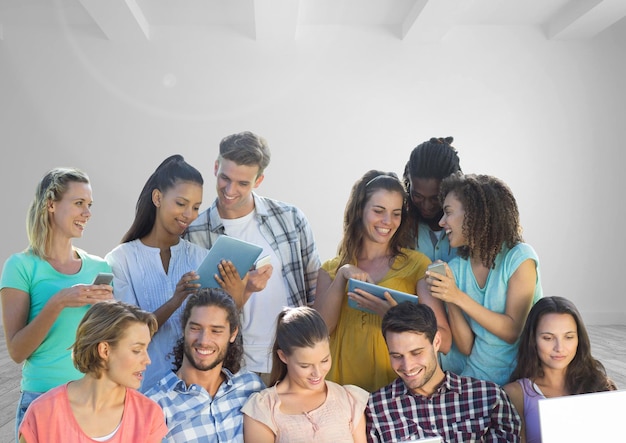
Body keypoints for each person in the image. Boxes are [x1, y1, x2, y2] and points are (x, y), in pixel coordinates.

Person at [184, 131, 321, 383]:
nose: (230, 190)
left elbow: (315, 289)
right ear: (216, 166)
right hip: (233, 364)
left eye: (242, 183)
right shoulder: (193, 234)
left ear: (259, 180)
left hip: (290, 358)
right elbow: (194, 308)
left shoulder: (290, 219)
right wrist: (243, 290)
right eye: (224, 178)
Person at [105, 154, 239, 392]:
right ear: (157, 198)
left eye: (196, 207)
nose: (189, 214)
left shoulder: (200, 258)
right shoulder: (121, 259)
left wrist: (238, 293)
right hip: (141, 390)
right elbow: (127, 334)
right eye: (181, 204)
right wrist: (175, 301)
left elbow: (217, 327)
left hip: (194, 391)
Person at [0, 167, 114, 438]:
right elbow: (17, 351)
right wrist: (59, 301)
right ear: (51, 204)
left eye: (89, 205)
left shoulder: (99, 266)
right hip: (42, 400)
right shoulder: (20, 267)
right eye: (78, 204)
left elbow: (107, 344)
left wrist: (111, 314)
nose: (87, 213)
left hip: (93, 402)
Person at [313, 170, 450, 392]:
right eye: (379, 211)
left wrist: (394, 318)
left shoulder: (417, 266)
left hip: (394, 393)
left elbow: (444, 340)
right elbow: (318, 334)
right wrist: (343, 275)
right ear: (360, 211)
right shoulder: (330, 270)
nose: (388, 221)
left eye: (396, 213)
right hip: (340, 389)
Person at [425, 172, 543, 385]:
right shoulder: (457, 268)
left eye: (448, 212)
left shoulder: (519, 258)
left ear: (474, 214)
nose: (442, 222)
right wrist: (449, 297)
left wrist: (457, 296)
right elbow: (466, 346)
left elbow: (512, 331)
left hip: (515, 383)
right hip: (474, 379)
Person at [366, 302, 521, 442]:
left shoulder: (489, 397)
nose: (407, 366)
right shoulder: (376, 409)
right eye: (397, 356)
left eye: (416, 353)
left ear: (436, 342)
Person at [18, 300, 168, 442]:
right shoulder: (42, 413)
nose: (147, 360)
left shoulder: (149, 415)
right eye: (137, 350)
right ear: (104, 350)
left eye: (146, 349)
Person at [145, 288, 265, 442]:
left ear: (233, 334)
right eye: (195, 328)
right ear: (184, 328)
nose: (204, 340)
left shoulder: (251, 386)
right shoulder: (155, 405)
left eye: (216, 331)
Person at [242, 306, 369, 442]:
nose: (317, 373)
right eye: (305, 365)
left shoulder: (348, 399)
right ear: (283, 356)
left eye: (324, 360)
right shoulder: (264, 408)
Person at [503, 296, 617, 443]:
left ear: (579, 340)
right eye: (548, 338)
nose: (559, 348)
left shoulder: (601, 385)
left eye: (568, 337)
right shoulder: (515, 394)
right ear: (533, 340)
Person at [403, 136, 462, 263]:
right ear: (409, 184)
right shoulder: (399, 225)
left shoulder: (471, 227)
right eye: (417, 196)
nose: (427, 206)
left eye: (436, 198)